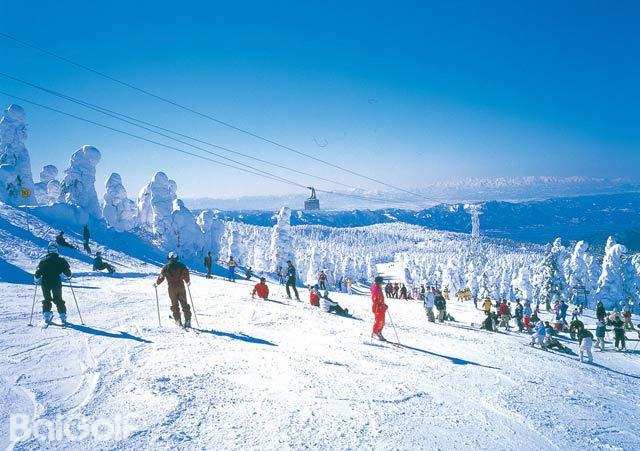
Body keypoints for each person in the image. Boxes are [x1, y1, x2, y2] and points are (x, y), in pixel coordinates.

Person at [35, 243, 72, 325]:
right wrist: (68, 275)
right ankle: (62, 315)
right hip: (56, 281)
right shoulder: (61, 260)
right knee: (58, 298)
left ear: (48, 250)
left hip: (45, 282)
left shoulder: (44, 260)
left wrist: (36, 278)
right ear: (57, 250)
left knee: (47, 298)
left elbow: (38, 272)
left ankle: (46, 314)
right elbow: (68, 273)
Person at [154, 252, 192, 328]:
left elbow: (161, 277)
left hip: (171, 288)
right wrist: (187, 281)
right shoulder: (182, 265)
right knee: (184, 303)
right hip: (181, 286)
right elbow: (186, 274)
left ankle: (178, 320)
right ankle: (187, 320)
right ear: (177, 258)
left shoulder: (166, 267)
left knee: (174, 304)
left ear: (169, 258)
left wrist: (157, 283)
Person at [370, 276, 388, 341]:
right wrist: (380, 305)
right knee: (379, 321)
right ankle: (375, 333)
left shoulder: (378, 288)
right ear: (378, 282)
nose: (381, 284)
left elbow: (380, 299)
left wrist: (383, 304)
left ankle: (378, 332)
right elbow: (375, 300)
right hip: (377, 308)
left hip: (380, 308)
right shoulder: (376, 289)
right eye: (381, 283)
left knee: (382, 321)